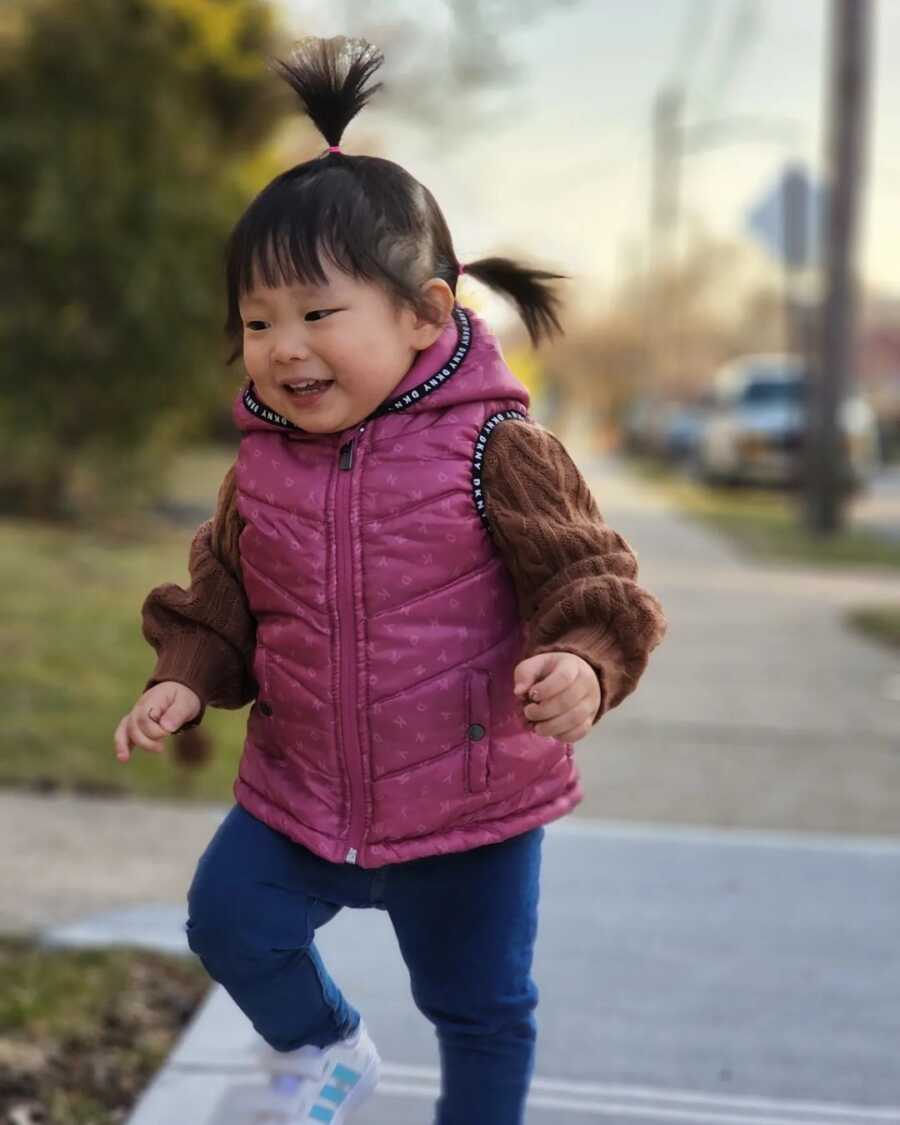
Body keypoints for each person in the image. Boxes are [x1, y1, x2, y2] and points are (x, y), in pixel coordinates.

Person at [113, 35, 668, 1125]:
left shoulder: (495, 449)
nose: (283, 348)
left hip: (470, 799)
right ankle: (327, 1045)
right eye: (259, 322)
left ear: (424, 315)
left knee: (481, 1006)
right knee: (228, 919)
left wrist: (581, 665)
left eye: (319, 316)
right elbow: (223, 594)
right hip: (303, 784)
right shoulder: (261, 466)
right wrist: (187, 671)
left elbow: (594, 583)